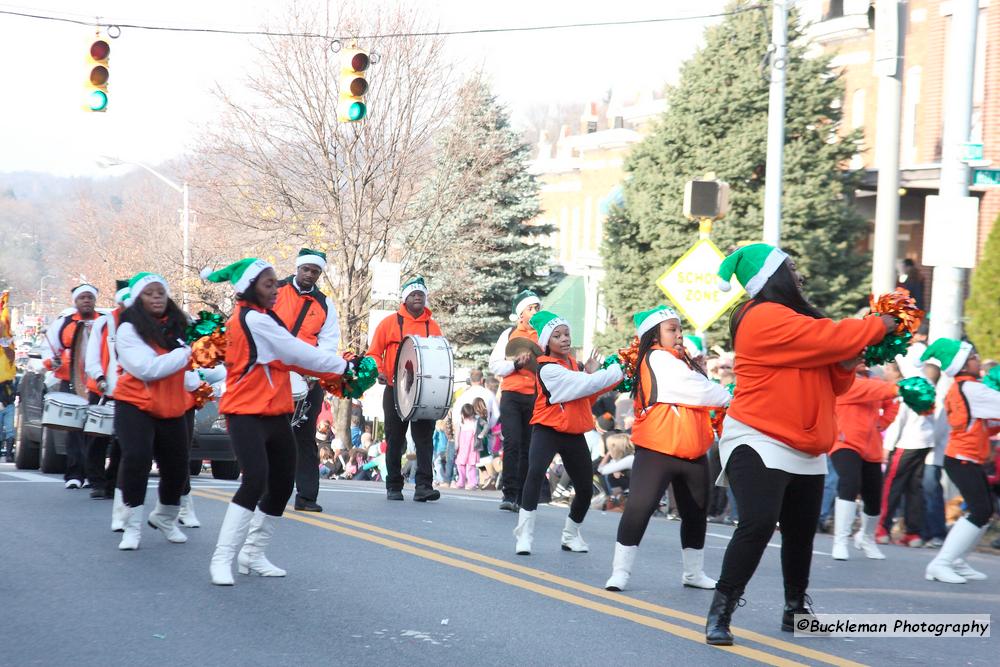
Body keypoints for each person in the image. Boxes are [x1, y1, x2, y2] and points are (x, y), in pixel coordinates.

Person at [704, 244, 892, 646]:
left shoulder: (797, 319)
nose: (799, 273)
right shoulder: (761, 316)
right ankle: (720, 610)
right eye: (790, 266)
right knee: (756, 525)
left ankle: (795, 611)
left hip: (805, 442)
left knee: (801, 531)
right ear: (773, 276)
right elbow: (829, 335)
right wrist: (878, 324)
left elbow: (835, 382)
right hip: (759, 436)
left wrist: (846, 362)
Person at [201, 258, 349, 585]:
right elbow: (296, 353)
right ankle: (222, 558)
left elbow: (295, 356)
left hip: (273, 410)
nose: (275, 291)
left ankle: (252, 553)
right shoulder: (252, 319)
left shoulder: (264, 316)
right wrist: (344, 368)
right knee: (255, 479)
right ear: (250, 287)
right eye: (268, 285)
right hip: (245, 412)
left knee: (282, 481)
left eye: (273, 284)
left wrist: (330, 369)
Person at [604, 306, 731, 592]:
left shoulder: (682, 361)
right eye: (671, 329)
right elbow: (701, 391)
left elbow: (701, 389)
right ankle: (620, 573)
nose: (678, 334)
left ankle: (693, 573)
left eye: (679, 329)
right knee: (639, 508)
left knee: (696, 512)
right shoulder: (657, 358)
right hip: (657, 450)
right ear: (654, 335)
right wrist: (728, 396)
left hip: (693, 450)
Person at [513, 310, 622, 555]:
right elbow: (581, 385)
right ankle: (524, 536)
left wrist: (590, 374)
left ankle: (571, 535)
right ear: (546, 343)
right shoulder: (546, 368)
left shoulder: (575, 365)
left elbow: (586, 396)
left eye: (566, 334)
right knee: (535, 474)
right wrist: (597, 375)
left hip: (573, 432)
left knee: (584, 487)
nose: (564, 339)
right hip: (547, 429)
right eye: (557, 335)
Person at [112, 274, 194, 551]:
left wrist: (211, 371)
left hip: (171, 404)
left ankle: (165, 517)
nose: (157, 297)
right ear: (138, 298)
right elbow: (148, 368)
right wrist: (188, 354)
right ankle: (131, 526)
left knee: (178, 467)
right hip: (134, 403)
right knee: (137, 458)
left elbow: (190, 371)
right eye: (149, 293)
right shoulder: (128, 329)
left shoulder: (182, 327)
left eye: (161, 292)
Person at [922, 339, 1000, 584]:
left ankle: (956, 561)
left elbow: (978, 424)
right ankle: (941, 563)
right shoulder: (972, 389)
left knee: (984, 510)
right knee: (980, 510)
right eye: (974, 357)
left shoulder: (963, 387)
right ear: (964, 364)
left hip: (964, 458)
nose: (979, 360)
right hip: (962, 459)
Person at [273, 248, 341, 513]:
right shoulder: (275, 290)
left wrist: (314, 373)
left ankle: (307, 497)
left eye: (315, 271)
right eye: (306, 269)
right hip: (273, 374)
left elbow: (328, 342)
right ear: (297, 268)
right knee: (272, 435)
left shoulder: (325, 304)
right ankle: (270, 491)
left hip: (307, 378)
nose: (310, 275)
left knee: (305, 438)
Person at [367, 276, 443, 502]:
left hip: (424, 390)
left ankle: (423, 487)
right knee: (395, 438)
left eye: (421, 294)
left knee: (424, 440)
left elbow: (439, 356)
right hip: (395, 388)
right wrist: (378, 370)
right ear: (405, 299)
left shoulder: (433, 326)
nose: (417, 297)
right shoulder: (389, 323)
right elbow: (373, 352)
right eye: (413, 294)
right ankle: (393, 486)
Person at [828, 367, 899, 560]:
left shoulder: (876, 382)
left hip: (872, 446)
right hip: (844, 441)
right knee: (849, 483)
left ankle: (866, 538)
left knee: (874, 498)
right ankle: (840, 541)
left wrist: (883, 422)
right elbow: (864, 389)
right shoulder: (843, 379)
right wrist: (896, 387)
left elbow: (892, 403)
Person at [42, 283, 101, 489]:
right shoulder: (65, 322)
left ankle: (93, 475)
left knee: (95, 431)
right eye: (82, 298)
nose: (86, 301)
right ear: (75, 301)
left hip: (96, 384)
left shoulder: (103, 322)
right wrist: (52, 362)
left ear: (94, 301)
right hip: (70, 381)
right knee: (74, 429)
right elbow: (48, 350)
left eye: (89, 298)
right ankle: (74, 474)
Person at [489, 289, 542, 511]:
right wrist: (515, 365)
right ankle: (508, 495)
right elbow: (494, 365)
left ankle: (522, 496)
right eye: (531, 308)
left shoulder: (544, 335)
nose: (536, 311)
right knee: (512, 443)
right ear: (521, 314)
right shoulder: (509, 334)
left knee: (528, 447)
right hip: (511, 395)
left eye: (538, 307)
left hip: (535, 397)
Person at [878, 362, 935, 548]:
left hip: (906, 442)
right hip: (925, 441)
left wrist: (887, 446)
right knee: (914, 488)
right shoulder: (927, 388)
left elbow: (897, 421)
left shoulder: (907, 390)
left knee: (891, 486)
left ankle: (881, 528)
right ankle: (913, 533)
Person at [83, 280, 129, 502]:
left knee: (123, 441)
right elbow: (92, 355)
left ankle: (113, 483)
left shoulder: (146, 323)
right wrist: (99, 377)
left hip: (129, 391)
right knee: (97, 439)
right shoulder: (105, 323)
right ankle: (97, 482)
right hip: (102, 388)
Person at [454, 403, 479, 490]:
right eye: (468, 416)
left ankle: (472, 482)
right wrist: (456, 444)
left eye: (471, 416)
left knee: (471, 465)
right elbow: (457, 433)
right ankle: (461, 481)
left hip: (472, 447)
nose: (469, 418)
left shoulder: (475, 422)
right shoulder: (461, 422)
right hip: (463, 447)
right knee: (460, 464)